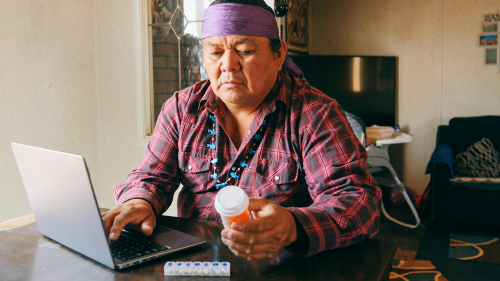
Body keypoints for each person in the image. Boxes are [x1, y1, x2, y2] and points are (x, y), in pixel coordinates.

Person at [102, 0, 381, 261]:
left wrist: (292, 227)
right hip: (196, 266)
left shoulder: (314, 114)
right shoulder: (182, 109)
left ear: (279, 53)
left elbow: (358, 202)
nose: (227, 65)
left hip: (280, 267)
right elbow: (151, 176)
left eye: (245, 51)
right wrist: (139, 200)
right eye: (214, 52)